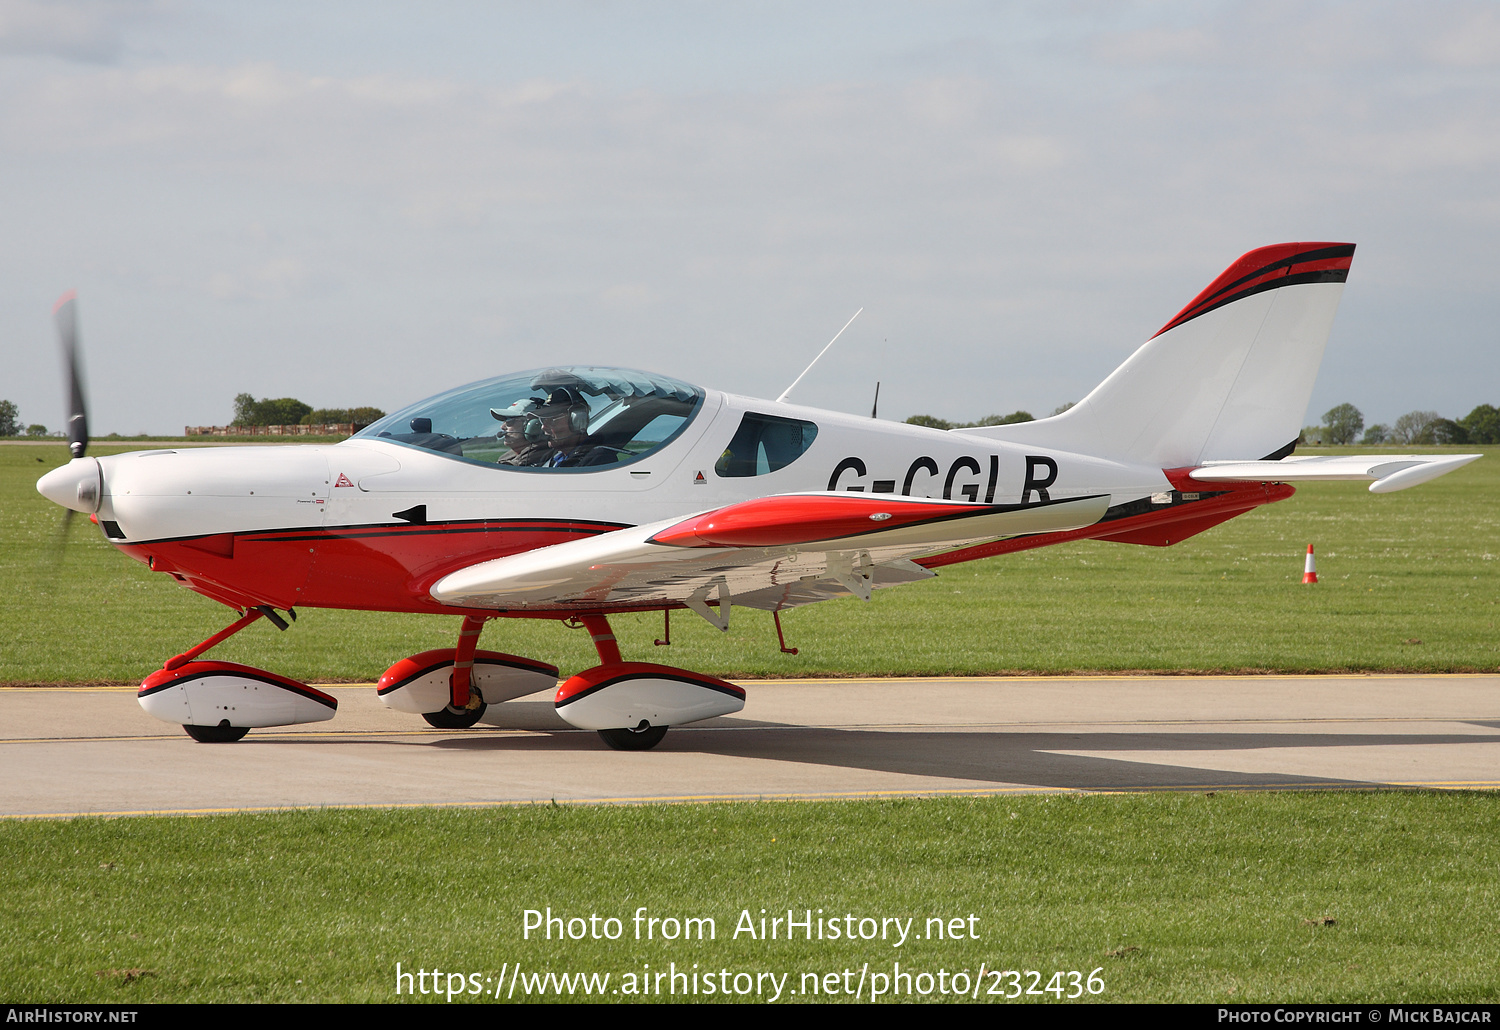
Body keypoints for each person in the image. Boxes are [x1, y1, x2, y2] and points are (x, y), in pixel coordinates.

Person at [535, 387, 616, 467]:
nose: (543, 427)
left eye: (551, 420)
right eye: (543, 420)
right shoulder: (551, 458)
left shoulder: (598, 460)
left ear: (577, 421)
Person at [490, 398, 550, 466]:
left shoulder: (541, 458)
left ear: (532, 426)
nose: (502, 427)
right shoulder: (506, 459)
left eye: (509, 421)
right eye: (504, 421)